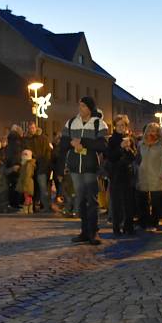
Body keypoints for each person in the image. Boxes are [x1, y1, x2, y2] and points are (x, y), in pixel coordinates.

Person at [60, 96, 108, 245]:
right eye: (79, 106)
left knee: (92, 201)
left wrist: (83, 143)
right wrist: (71, 143)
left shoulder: (98, 124)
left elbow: (102, 145)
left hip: (90, 166)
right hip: (75, 166)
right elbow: (62, 143)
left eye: (83, 106)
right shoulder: (71, 122)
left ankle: (94, 232)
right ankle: (84, 231)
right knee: (80, 200)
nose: (80, 109)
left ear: (90, 108)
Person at [105, 114, 137, 236]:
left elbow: (134, 157)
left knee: (128, 202)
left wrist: (129, 150)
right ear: (114, 127)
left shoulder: (130, 139)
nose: (120, 127)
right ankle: (116, 227)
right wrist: (120, 147)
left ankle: (128, 226)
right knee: (116, 203)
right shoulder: (111, 140)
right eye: (118, 125)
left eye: (122, 125)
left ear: (126, 126)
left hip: (127, 174)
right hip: (115, 174)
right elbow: (110, 156)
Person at [136, 122, 162, 230]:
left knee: (155, 203)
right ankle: (144, 221)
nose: (151, 133)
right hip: (143, 176)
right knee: (143, 201)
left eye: (154, 131)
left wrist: (161, 174)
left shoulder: (161, 145)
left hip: (156, 177)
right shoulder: (141, 144)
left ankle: (154, 222)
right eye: (150, 130)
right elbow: (138, 159)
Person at [23, 121, 52, 212]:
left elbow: (48, 152)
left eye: (33, 128)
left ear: (36, 128)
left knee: (43, 187)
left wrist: (46, 164)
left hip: (42, 165)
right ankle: (34, 206)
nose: (31, 130)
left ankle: (46, 206)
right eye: (30, 128)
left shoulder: (43, 138)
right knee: (32, 187)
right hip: (32, 166)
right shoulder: (26, 139)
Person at [15, 149, 36, 214]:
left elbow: (27, 174)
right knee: (29, 196)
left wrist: (25, 183)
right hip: (28, 182)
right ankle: (30, 209)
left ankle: (26, 209)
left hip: (27, 182)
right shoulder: (28, 164)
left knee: (27, 196)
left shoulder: (28, 164)